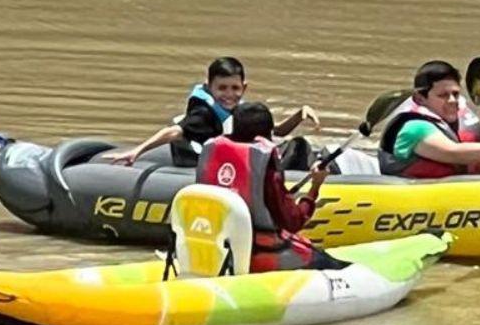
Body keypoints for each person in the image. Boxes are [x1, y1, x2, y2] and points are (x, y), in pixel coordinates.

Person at [197, 102, 347, 272]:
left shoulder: (212, 151)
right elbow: (293, 222)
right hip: (260, 253)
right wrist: (315, 187)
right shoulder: (265, 166)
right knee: (334, 266)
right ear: (268, 134)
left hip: (215, 248)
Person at [106, 57, 319, 167]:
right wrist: (137, 151)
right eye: (222, 88)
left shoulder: (239, 110)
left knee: (298, 145)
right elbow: (174, 132)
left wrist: (300, 114)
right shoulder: (203, 114)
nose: (229, 95)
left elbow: (276, 132)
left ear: (244, 87)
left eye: (235, 88)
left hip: (225, 157)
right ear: (209, 87)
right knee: (298, 148)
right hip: (201, 162)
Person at [378, 60, 480, 178]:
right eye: (443, 95)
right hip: (408, 200)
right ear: (420, 99)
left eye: (455, 94)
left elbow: (475, 164)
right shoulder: (414, 127)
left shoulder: (455, 123)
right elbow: (454, 154)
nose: (452, 101)